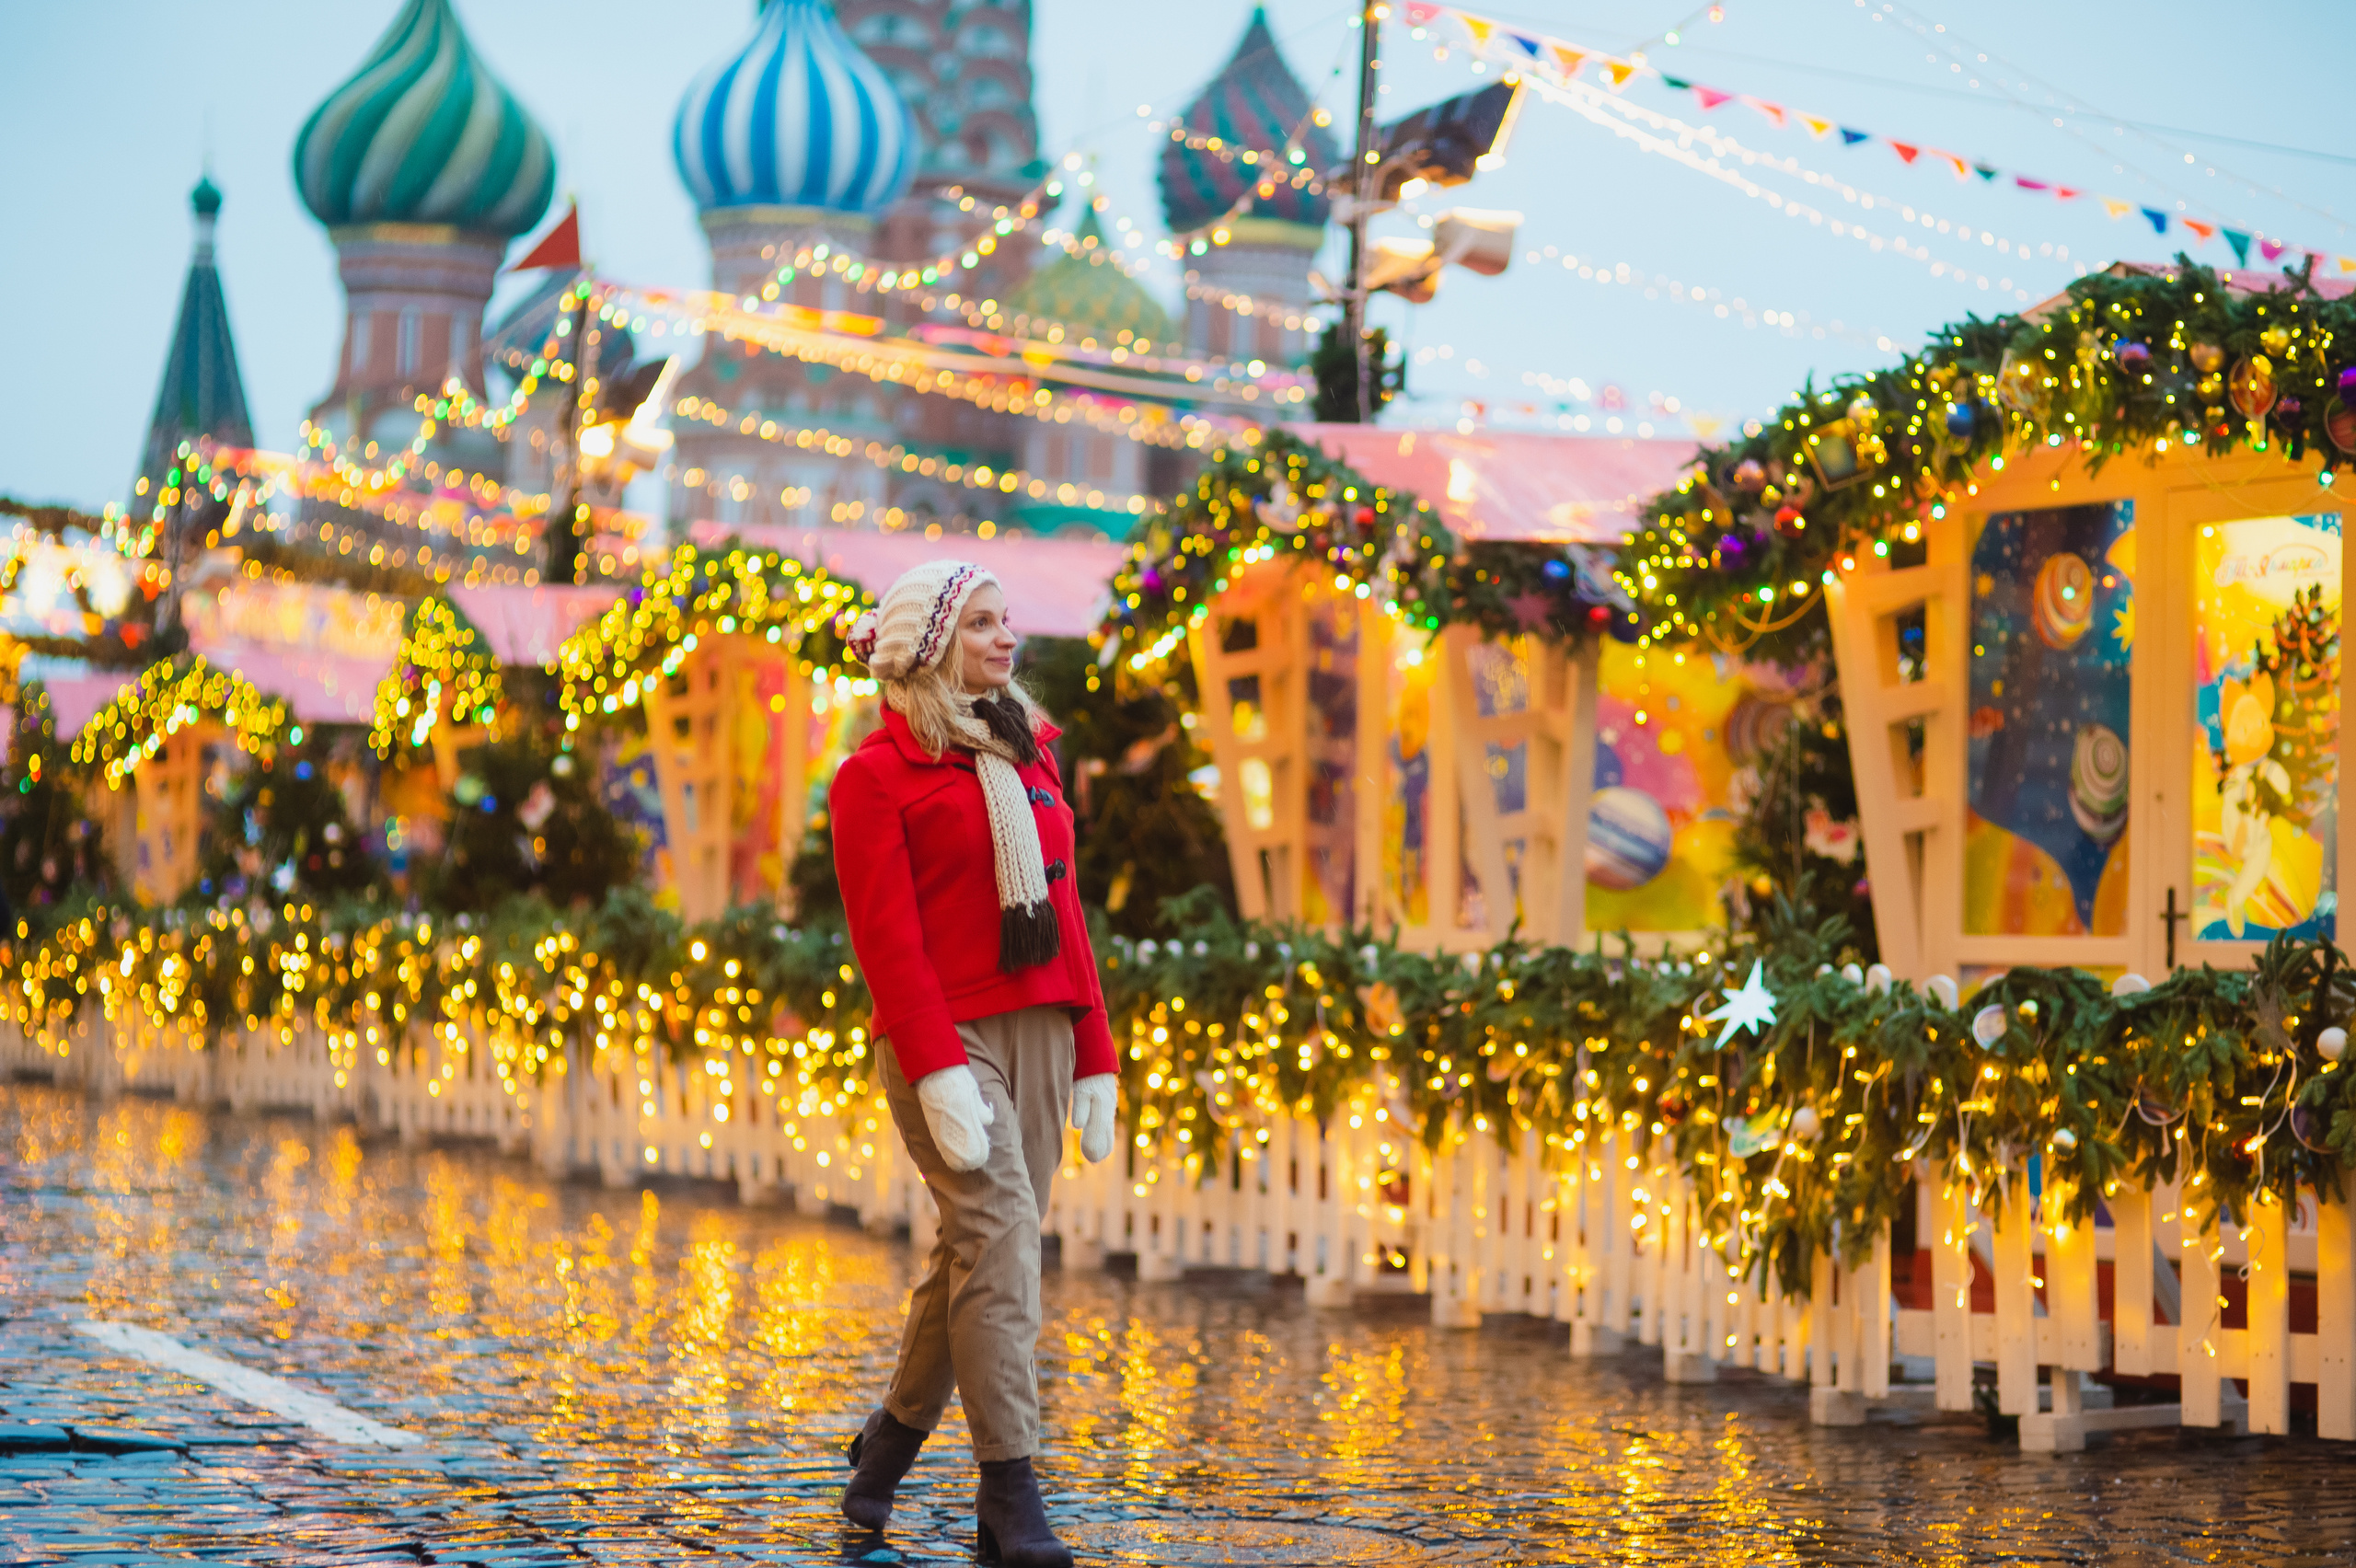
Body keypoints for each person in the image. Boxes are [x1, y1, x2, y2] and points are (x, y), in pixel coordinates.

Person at [828, 559, 1119, 1567]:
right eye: (984, 624)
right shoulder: (873, 777)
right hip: (943, 1040)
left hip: (1041, 1025)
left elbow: (1065, 907)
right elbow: (886, 939)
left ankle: (885, 1451)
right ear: (931, 645)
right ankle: (1010, 1492)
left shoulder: (1028, 752)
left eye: (1008, 622)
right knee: (1001, 1239)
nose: (1007, 639)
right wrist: (934, 1064)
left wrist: (1096, 1054)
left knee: (977, 1253)